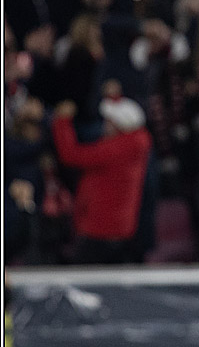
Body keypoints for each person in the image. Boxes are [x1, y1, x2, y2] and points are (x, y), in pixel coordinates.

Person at [52, 97, 152, 264]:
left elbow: (71, 155)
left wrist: (62, 122)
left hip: (100, 229)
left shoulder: (119, 147)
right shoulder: (134, 143)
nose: (104, 126)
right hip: (117, 229)